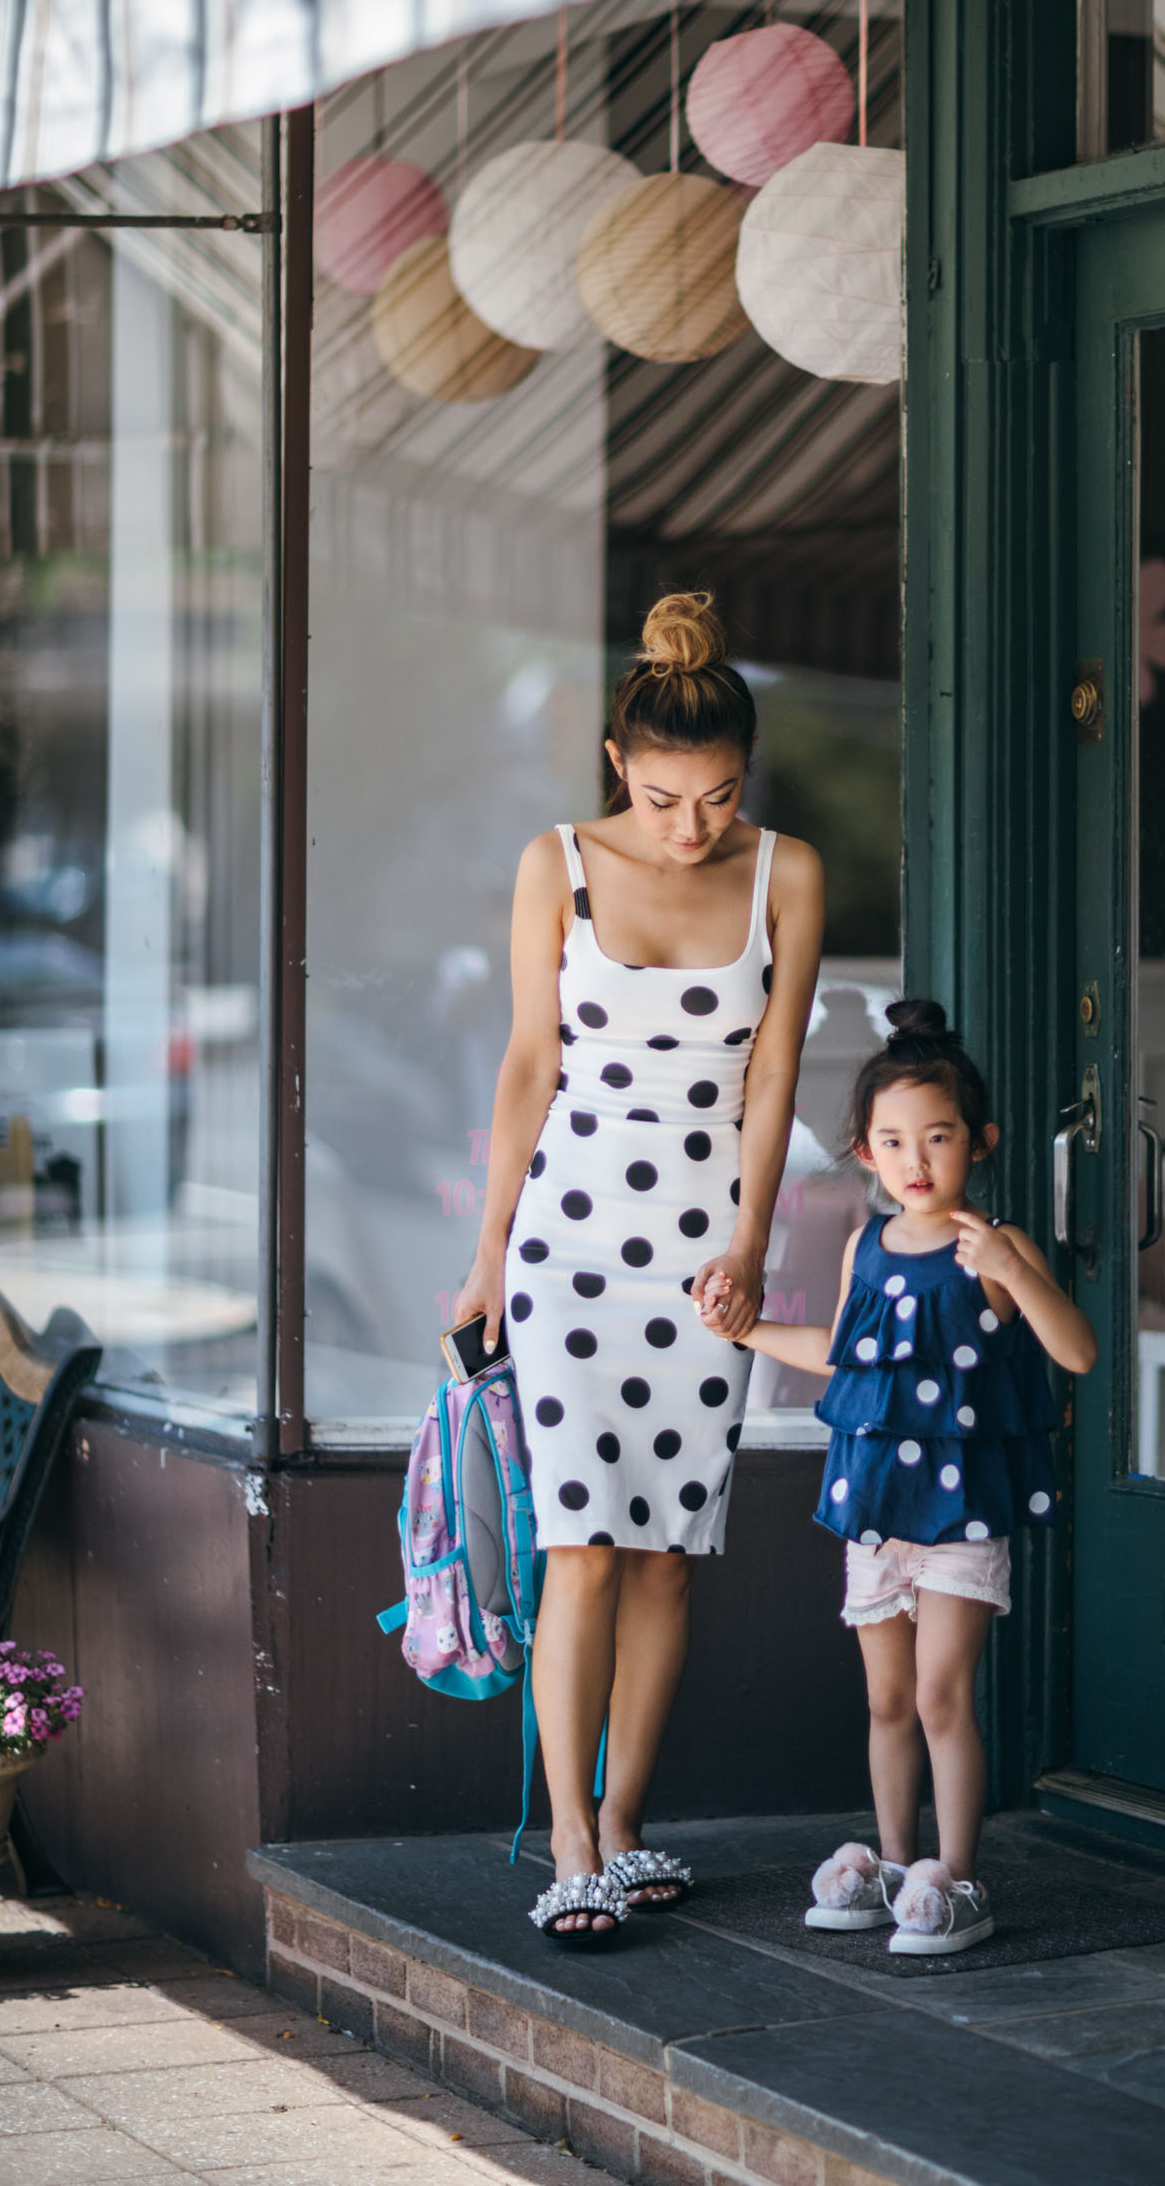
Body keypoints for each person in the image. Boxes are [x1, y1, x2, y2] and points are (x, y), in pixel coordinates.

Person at [452, 593, 824, 1940]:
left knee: (669, 1556)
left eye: (719, 798)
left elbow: (773, 1077)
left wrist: (750, 1244)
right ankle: (565, 1844)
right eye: (667, 798)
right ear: (620, 763)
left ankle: (624, 1822)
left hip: (701, 1253)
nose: (692, 829)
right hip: (569, 1248)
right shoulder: (556, 863)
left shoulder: (786, 871)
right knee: (583, 1551)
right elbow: (527, 1066)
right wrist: (487, 1260)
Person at [710, 998, 1096, 1955]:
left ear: (981, 1142)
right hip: (876, 1499)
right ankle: (893, 1863)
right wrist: (746, 1328)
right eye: (892, 1140)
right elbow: (845, 1357)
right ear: (864, 1150)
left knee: (939, 1697)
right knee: (885, 1699)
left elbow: (1078, 1354)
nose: (915, 1159)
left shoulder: (994, 1248)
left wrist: (1015, 1264)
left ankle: (959, 1878)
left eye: (938, 1136)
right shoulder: (865, 1246)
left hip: (962, 1508)